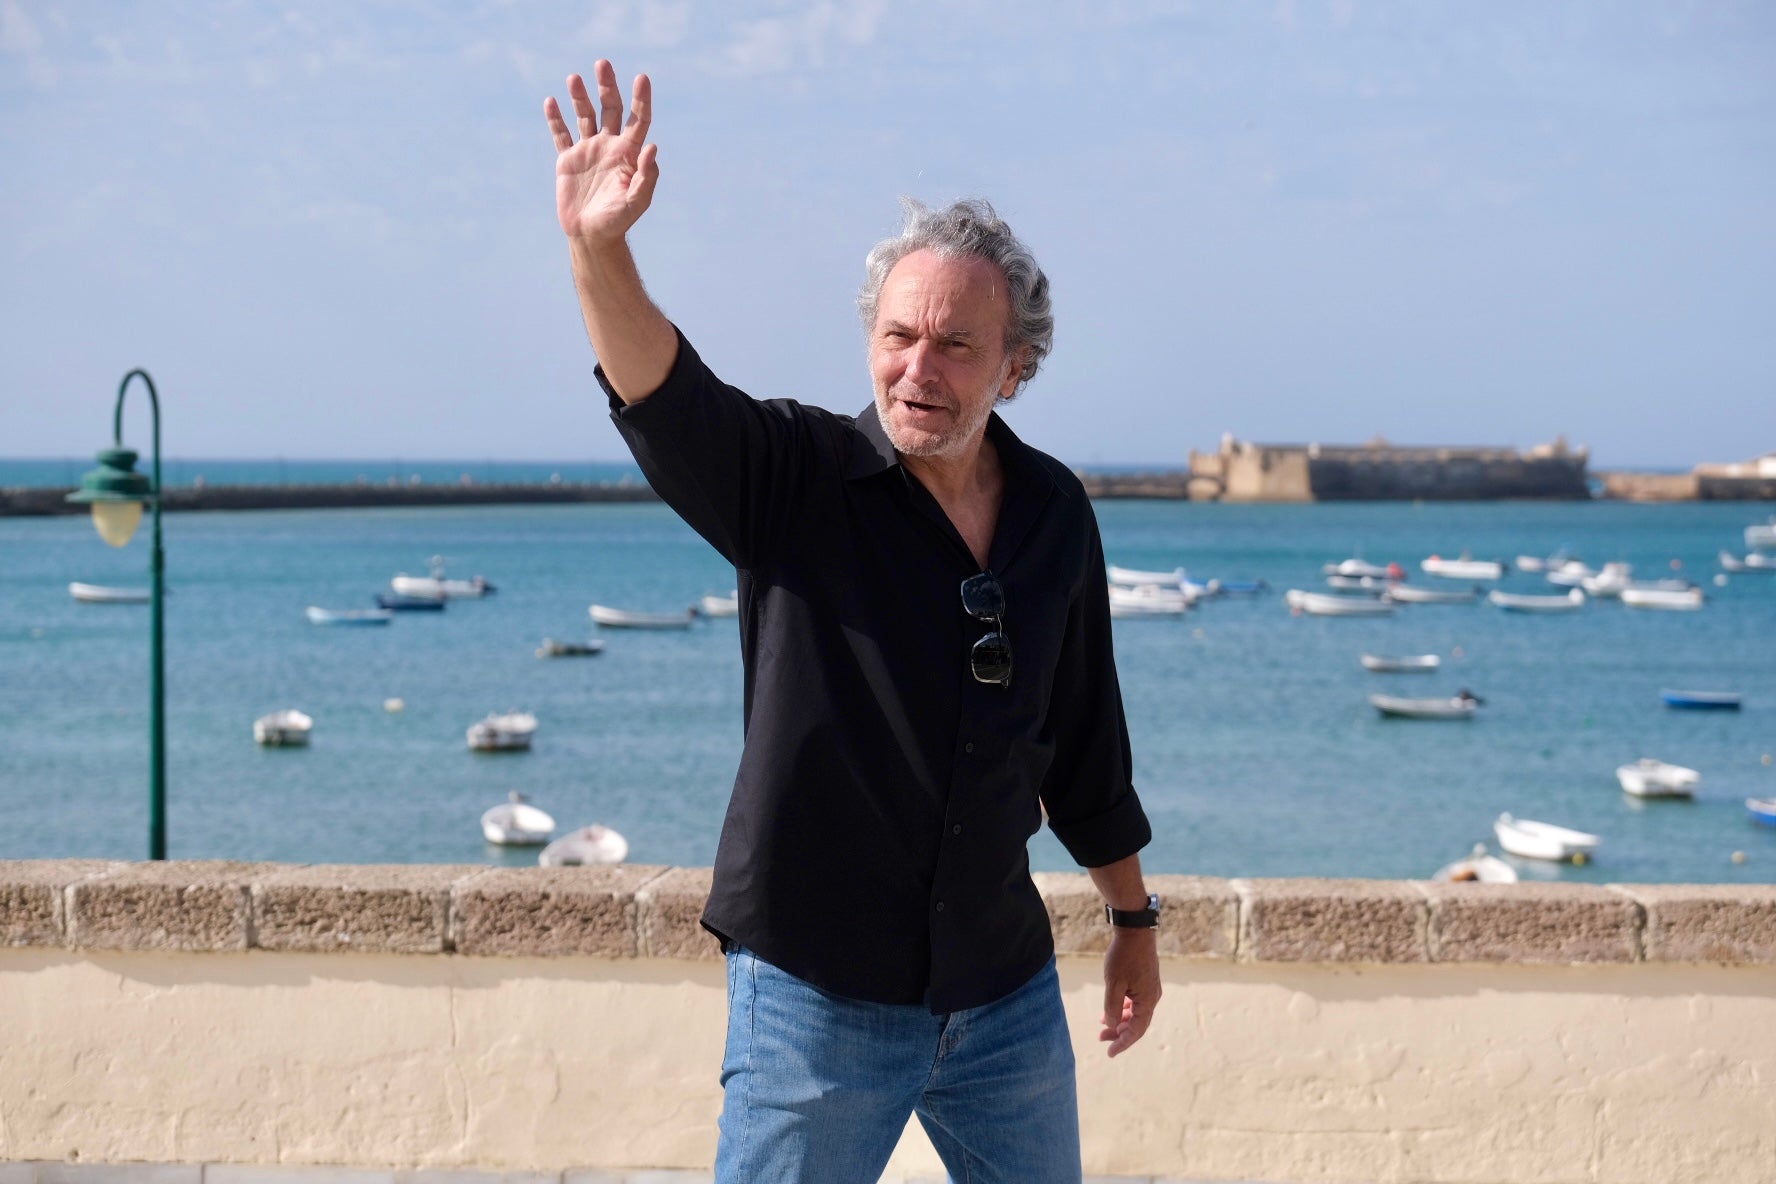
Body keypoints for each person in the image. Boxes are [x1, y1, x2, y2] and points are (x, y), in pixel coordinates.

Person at [545, 60, 1162, 1184]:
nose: (916, 367)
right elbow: (663, 394)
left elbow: (1083, 743)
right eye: (897, 336)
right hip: (815, 998)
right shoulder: (797, 478)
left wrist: (1133, 917)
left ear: (1016, 367)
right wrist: (599, 248)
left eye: (954, 345)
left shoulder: (1055, 515)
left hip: (1002, 993)